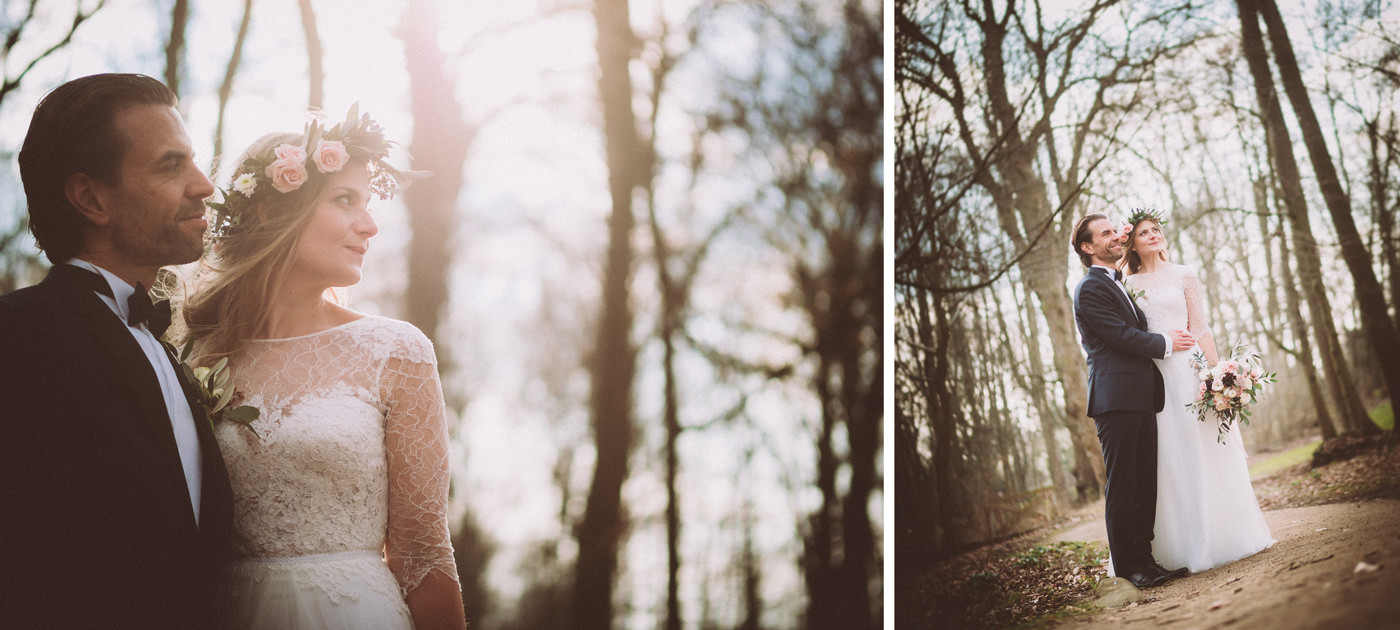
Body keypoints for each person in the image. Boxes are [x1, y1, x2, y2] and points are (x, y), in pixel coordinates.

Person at [180, 107, 466, 629]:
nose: (369, 224)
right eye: (344, 200)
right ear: (269, 212)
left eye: (368, 203)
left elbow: (424, 554)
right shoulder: (192, 354)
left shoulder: (394, 351)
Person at [0, 73, 233, 628]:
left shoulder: (167, 349)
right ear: (90, 198)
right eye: (170, 165)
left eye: (193, 162)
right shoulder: (18, 340)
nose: (204, 185)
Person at [1120, 209, 1274, 573]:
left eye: (1155, 229)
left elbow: (1200, 327)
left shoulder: (1185, 274)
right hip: (1156, 375)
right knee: (1169, 454)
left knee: (1206, 446)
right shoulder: (1127, 284)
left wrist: (1219, 372)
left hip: (1190, 371)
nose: (1153, 235)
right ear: (1133, 243)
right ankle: (1178, 547)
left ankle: (1226, 535)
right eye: (1144, 233)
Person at [1071, 213, 1196, 589]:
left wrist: (1125, 237)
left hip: (1141, 395)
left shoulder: (1116, 280)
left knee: (1144, 484)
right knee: (1124, 486)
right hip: (1115, 398)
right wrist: (1168, 343)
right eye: (1105, 233)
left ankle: (1147, 561)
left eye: (1116, 230)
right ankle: (1129, 569)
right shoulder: (1090, 288)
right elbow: (1121, 335)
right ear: (1087, 247)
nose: (1115, 236)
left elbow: (1129, 317)